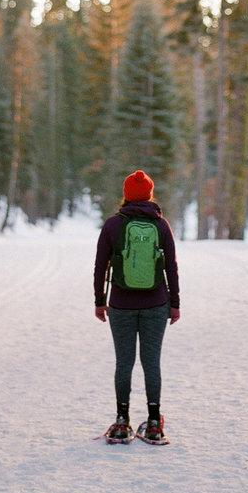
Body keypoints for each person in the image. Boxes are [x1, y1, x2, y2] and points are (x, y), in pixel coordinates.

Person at [94, 169, 180, 442]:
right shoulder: (161, 225)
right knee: (151, 361)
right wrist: (175, 304)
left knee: (124, 362)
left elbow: (100, 266)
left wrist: (100, 301)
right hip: (156, 303)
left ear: (126, 195)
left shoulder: (112, 225)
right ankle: (154, 422)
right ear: (149, 194)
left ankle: (122, 420)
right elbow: (171, 268)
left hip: (120, 305)